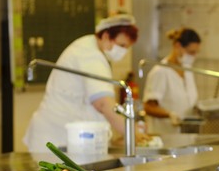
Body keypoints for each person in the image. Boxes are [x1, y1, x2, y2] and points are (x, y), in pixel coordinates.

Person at [23, 13, 149, 152]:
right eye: (121, 45)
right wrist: (132, 131)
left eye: (127, 47)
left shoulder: (90, 48)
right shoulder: (90, 56)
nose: (123, 51)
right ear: (106, 36)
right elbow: (103, 104)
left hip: (67, 136)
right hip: (55, 136)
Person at [142, 28, 201, 134]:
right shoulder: (160, 71)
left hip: (186, 135)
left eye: (196, 53)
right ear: (178, 46)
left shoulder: (187, 70)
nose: (194, 56)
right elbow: (149, 107)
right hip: (165, 136)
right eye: (191, 52)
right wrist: (170, 114)